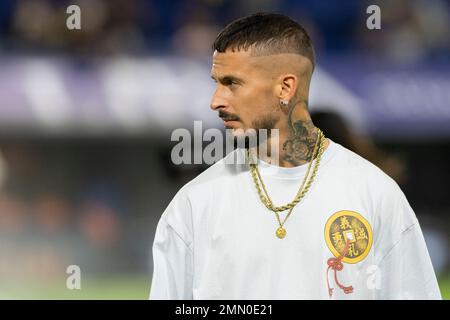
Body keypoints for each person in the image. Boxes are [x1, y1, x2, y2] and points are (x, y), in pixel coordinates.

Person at [149, 13, 441, 300]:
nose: (216, 101)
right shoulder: (194, 204)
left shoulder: (376, 194)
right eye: (216, 83)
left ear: (285, 87)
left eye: (232, 83)